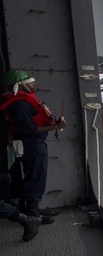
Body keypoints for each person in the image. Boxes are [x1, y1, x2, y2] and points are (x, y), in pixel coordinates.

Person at [0, 69, 66, 222]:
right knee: (35, 175)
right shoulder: (19, 105)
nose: (34, 84)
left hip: (33, 142)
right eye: (30, 82)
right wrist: (56, 127)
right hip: (31, 143)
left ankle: (32, 209)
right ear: (20, 86)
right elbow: (28, 129)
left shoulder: (22, 101)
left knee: (36, 174)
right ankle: (32, 213)